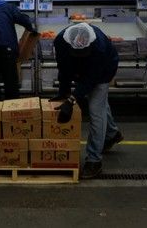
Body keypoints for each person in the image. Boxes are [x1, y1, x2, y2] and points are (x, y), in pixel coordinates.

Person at [52, 22, 123, 179]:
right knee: (101, 103)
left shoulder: (100, 46)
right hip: (83, 70)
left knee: (95, 109)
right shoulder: (60, 41)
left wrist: (71, 100)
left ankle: (94, 161)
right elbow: (63, 67)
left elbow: (91, 79)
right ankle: (112, 134)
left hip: (103, 72)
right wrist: (63, 91)